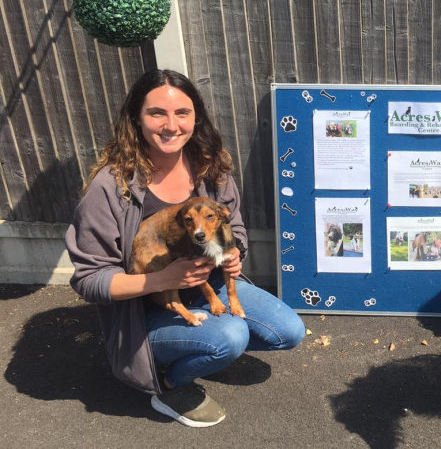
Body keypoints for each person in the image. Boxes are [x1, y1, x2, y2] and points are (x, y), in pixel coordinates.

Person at [66, 70, 305, 427]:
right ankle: (167, 383)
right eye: (156, 113)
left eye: (182, 113)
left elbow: (234, 228)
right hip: (144, 310)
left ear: (196, 118)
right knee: (231, 336)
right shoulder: (110, 187)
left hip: (208, 286)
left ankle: (201, 346)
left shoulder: (210, 168)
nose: (171, 125)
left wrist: (235, 253)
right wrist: (162, 279)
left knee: (289, 331)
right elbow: (89, 280)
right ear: (136, 119)